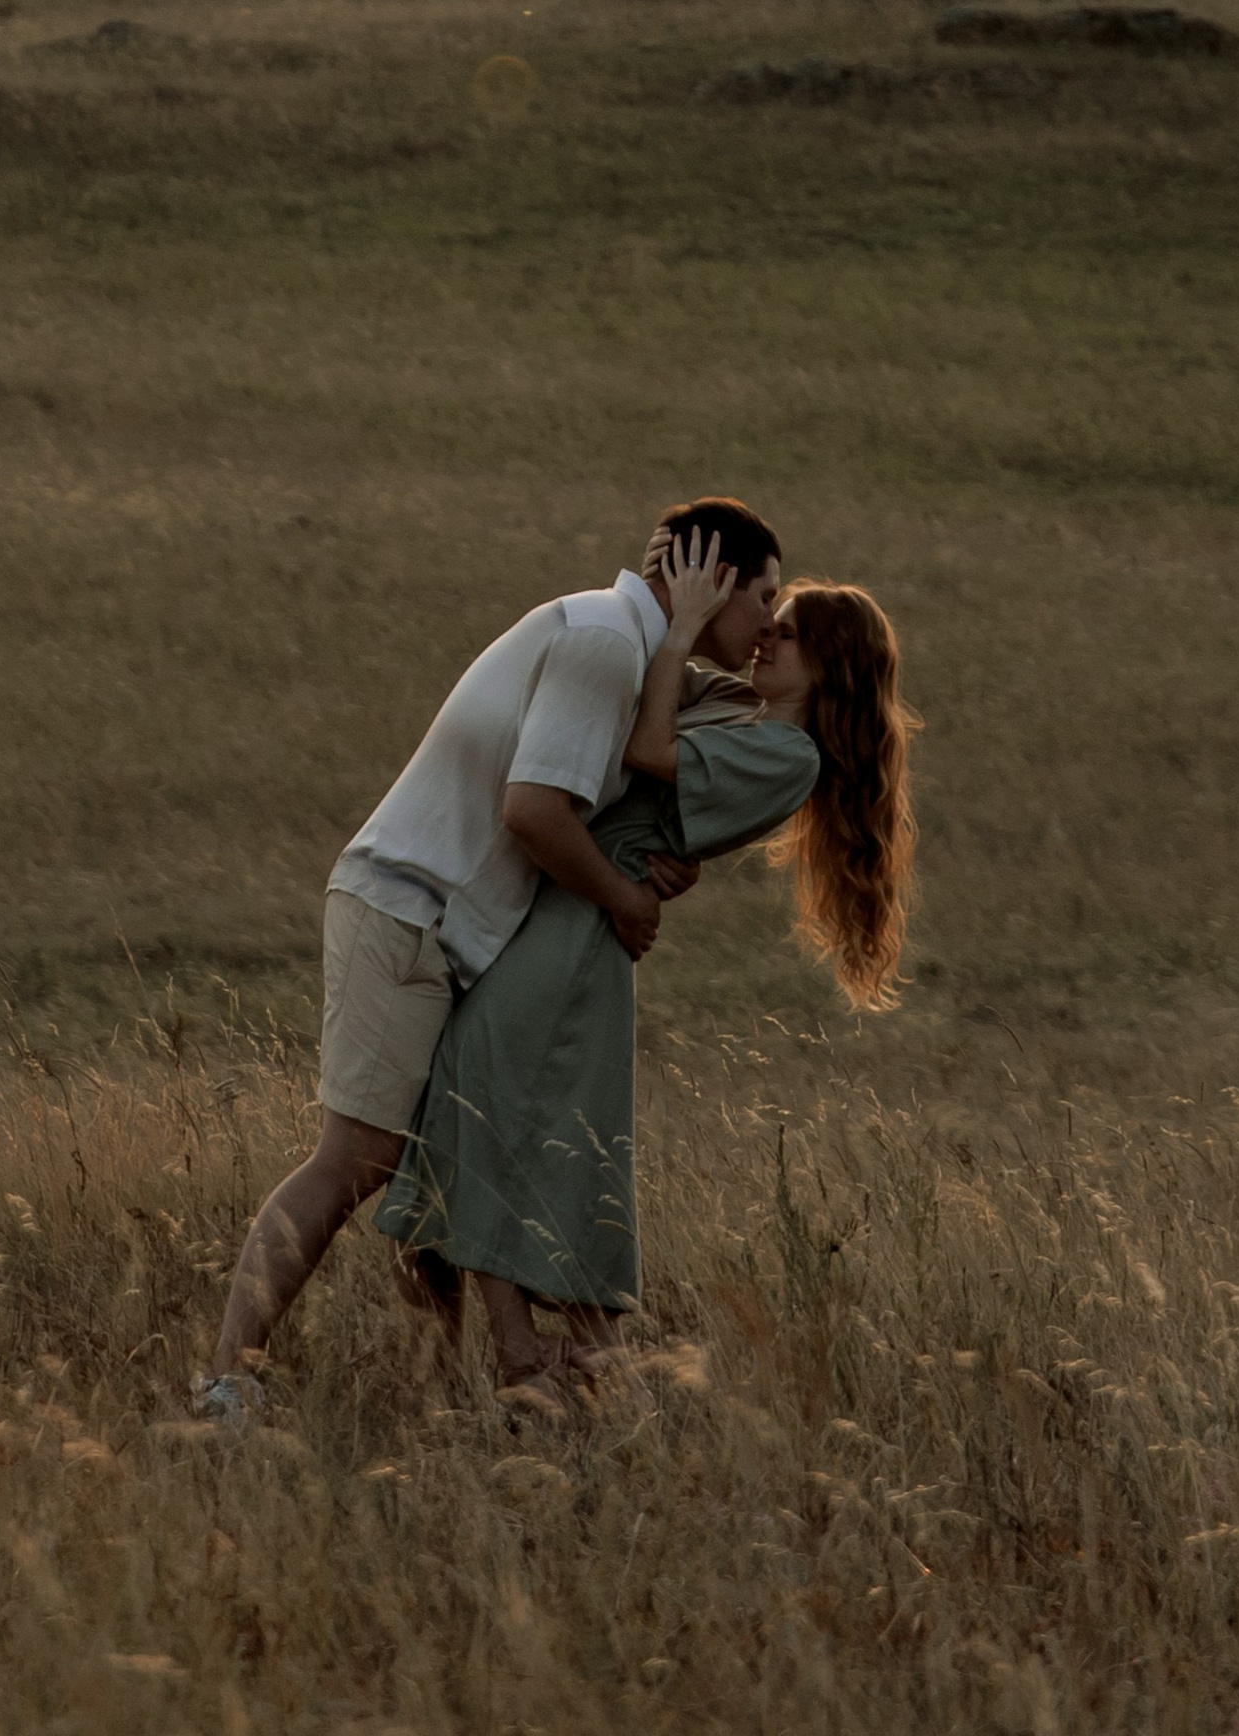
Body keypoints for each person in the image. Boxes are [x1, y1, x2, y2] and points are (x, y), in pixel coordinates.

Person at [194, 498, 784, 1423]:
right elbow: (534, 811)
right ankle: (227, 1381)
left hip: (448, 929)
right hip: (408, 910)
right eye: (762, 599)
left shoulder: (635, 651)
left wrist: (666, 857)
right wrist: (625, 896)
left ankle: (429, 1396)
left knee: (427, 1164)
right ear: (707, 577)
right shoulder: (603, 644)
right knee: (355, 1160)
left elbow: (711, 748)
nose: (768, 628)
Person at [376, 555, 915, 1394]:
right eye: (774, 614)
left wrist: (690, 628)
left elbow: (646, 743)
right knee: (493, 1112)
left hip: (576, 934)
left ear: (834, 665)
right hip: (556, 909)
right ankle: (559, 1363)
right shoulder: (745, 707)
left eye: (794, 630)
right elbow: (636, 692)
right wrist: (685, 620)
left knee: (495, 1112)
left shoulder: (787, 756)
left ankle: (540, 1359)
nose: (770, 632)